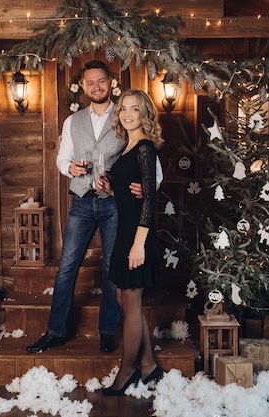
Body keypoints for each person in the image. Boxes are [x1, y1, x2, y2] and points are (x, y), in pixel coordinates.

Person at [26, 61, 162, 354]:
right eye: (90, 83)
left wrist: (148, 187)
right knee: (66, 268)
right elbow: (62, 159)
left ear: (110, 82)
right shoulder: (72, 121)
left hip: (117, 206)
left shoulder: (126, 115)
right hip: (82, 203)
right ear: (84, 87)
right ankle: (55, 331)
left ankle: (107, 330)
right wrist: (69, 168)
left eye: (101, 82)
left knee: (112, 270)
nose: (96, 87)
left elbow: (151, 163)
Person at [97, 89, 164, 396]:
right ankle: (149, 364)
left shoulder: (145, 148)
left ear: (144, 114)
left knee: (131, 302)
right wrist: (112, 189)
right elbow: (131, 194)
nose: (126, 113)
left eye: (134, 109)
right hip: (125, 231)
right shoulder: (128, 147)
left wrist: (139, 244)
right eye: (123, 108)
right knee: (126, 300)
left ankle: (127, 370)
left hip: (138, 234)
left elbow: (150, 201)